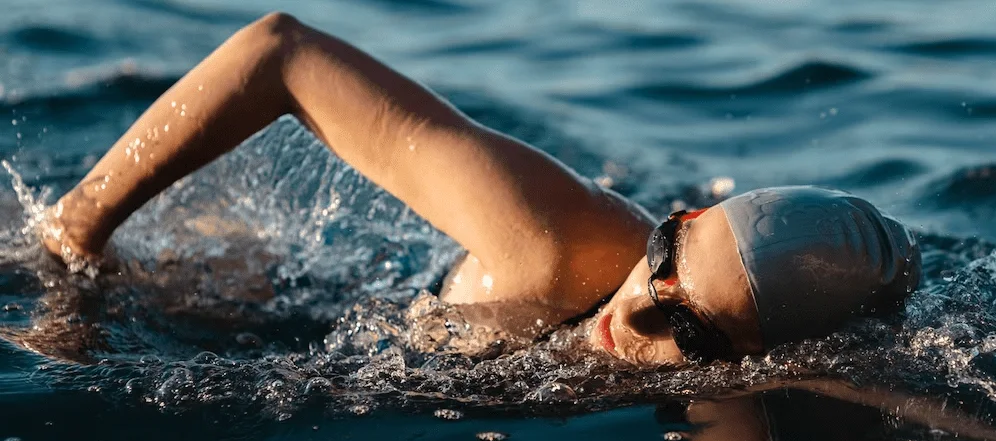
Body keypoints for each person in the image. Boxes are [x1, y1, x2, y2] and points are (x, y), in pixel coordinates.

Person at [36, 12, 920, 367]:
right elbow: (279, 52)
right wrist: (73, 245)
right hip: (257, 314)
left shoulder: (757, 396)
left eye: (686, 327)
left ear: (754, 363)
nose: (636, 317)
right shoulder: (559, 243)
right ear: (677, 219)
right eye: (663, 259)